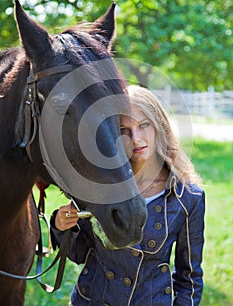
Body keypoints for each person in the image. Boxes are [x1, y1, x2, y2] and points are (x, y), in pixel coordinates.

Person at [50, 85, 205, 306]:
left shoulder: (188, 197)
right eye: (124, 129)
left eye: (144, 125)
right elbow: (79, 254)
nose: (136, 138)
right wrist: (62, 225)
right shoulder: (99, 185)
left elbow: (189, 277)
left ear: (159, 126)